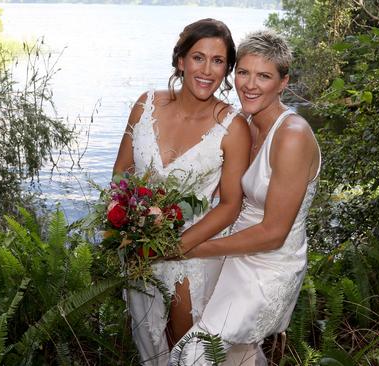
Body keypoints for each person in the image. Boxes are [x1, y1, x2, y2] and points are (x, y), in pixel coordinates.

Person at [170, 30, 321, 365]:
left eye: (264, 76)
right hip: (234, 249)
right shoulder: (246, 125)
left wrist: (191, 246)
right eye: (243, 73)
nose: (250, 85)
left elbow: (273, 233)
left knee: (195, 353)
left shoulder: (292, 136)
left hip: (269, 265)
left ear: (283, 82)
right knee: (236, 355)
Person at [112, 18, 250, 365]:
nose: (207, 70)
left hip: (192, 255)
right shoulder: (145, 105)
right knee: (149, 344)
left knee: (186, 352)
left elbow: (230, 205)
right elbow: (121, 175)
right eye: (198, 57)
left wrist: (176, 249)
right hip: (140, 251)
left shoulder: (232, 127)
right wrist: (129, 228)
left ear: (227, 70)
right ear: (180, 61)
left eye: (218, 61)